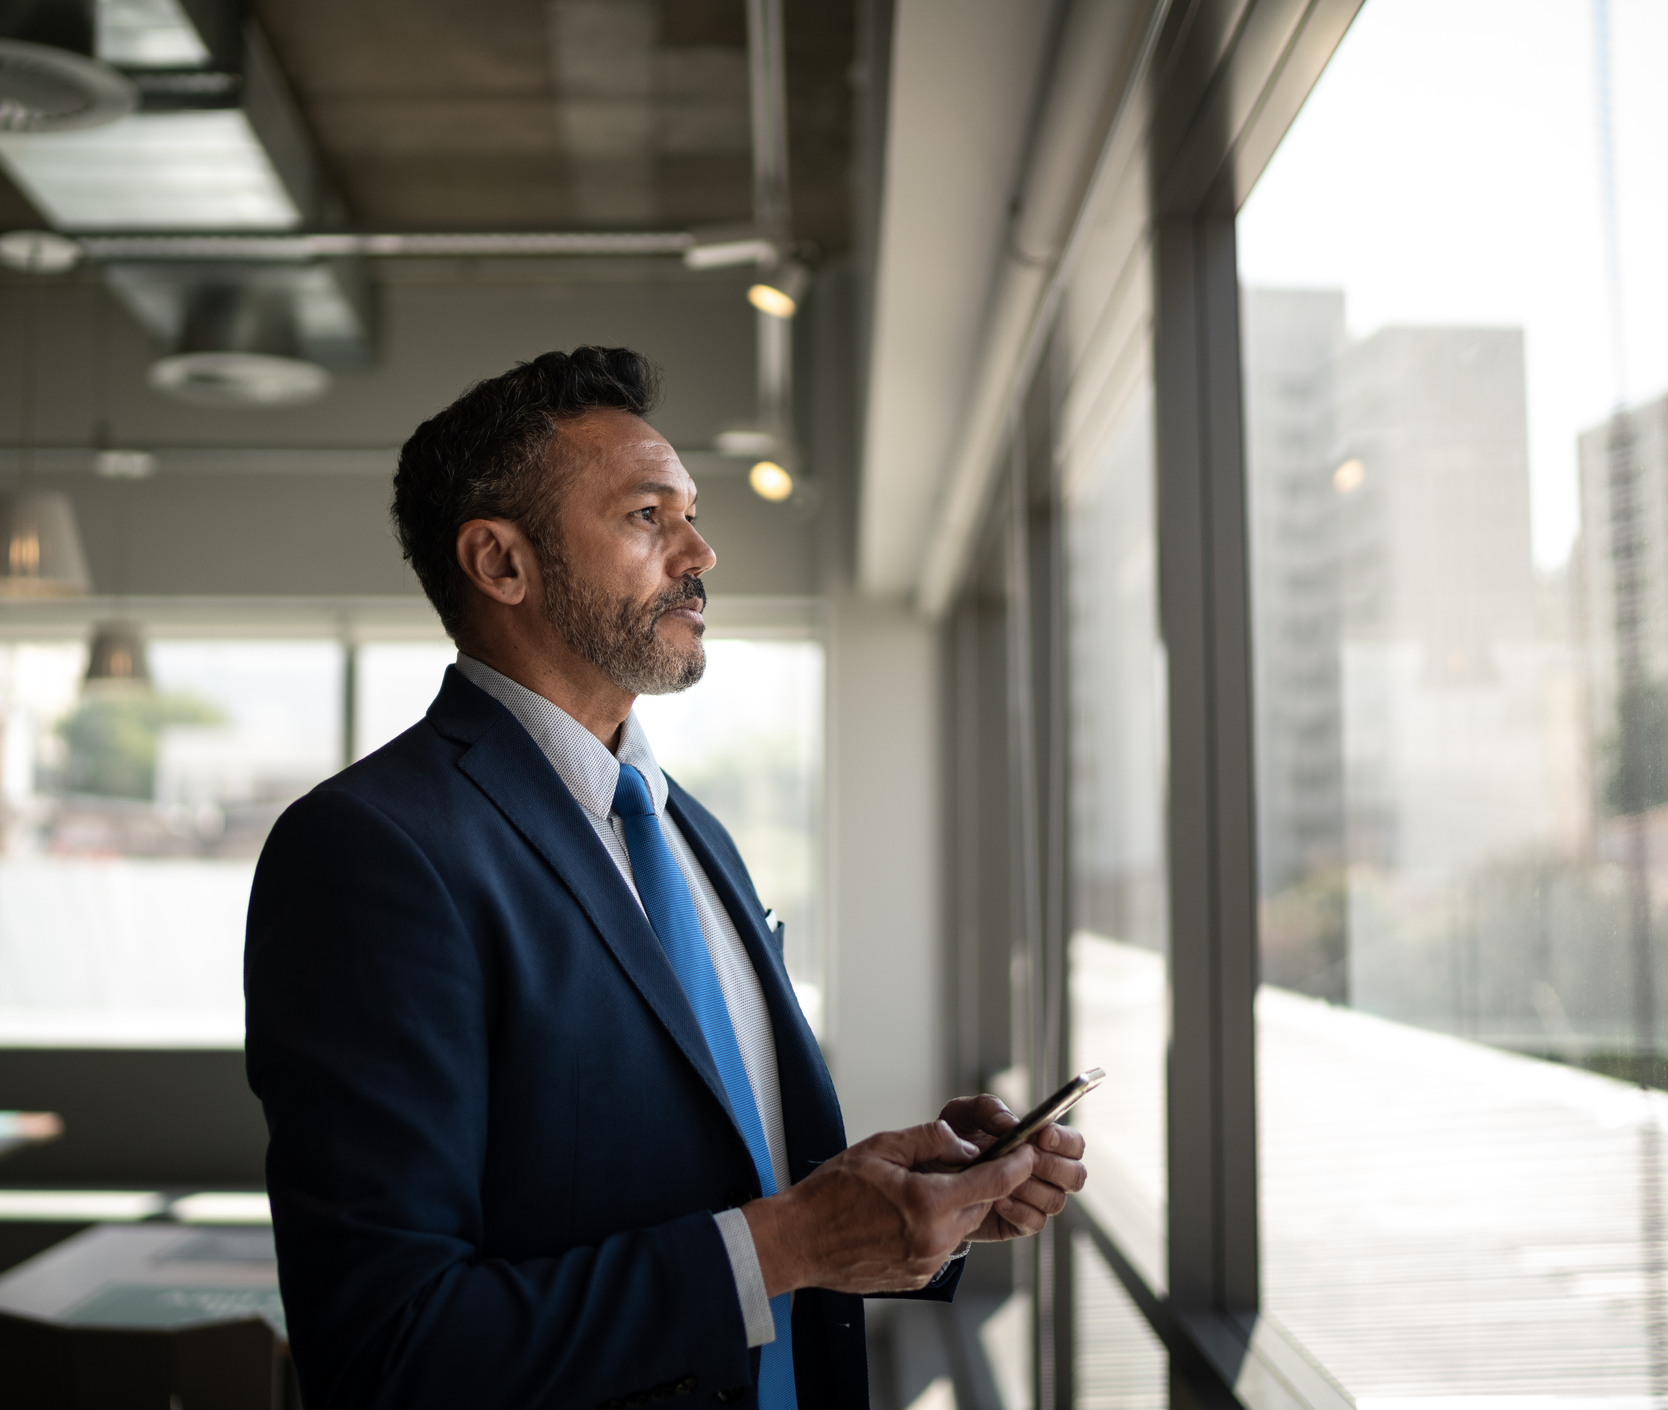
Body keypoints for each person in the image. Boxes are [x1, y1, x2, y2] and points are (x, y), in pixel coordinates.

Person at [244, 347, 1086, 1410]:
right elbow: (389, 1351)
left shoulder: (694, 832)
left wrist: (913, 1203)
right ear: (501, 563)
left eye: (688, 512)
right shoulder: (369, 851)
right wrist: (778, 1245)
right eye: (649, 515)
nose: (701, 550)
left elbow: (717, 1182)